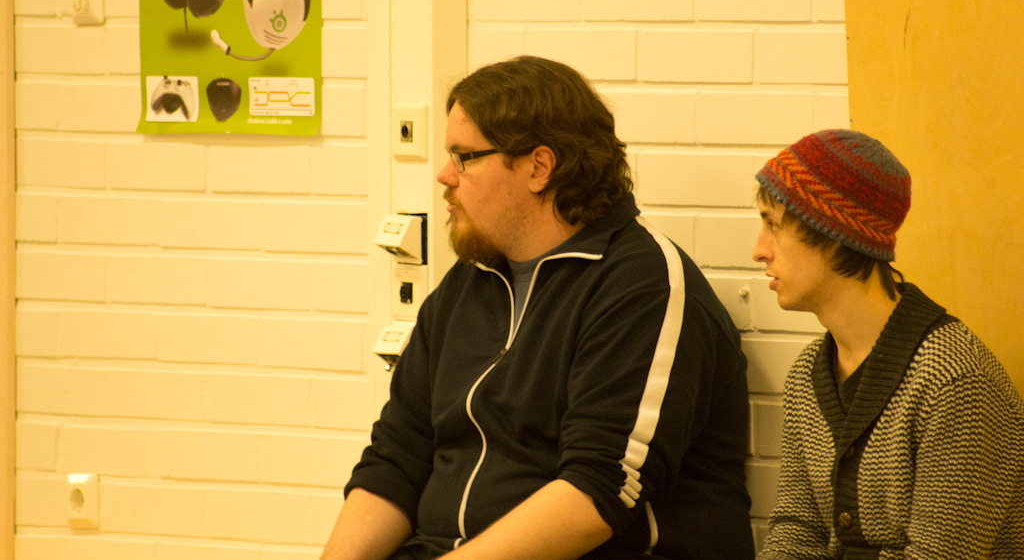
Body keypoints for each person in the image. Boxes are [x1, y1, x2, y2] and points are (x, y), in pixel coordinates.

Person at [320, 56, 754, 560]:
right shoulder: (468, 282)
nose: (444, 175)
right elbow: (397, 458)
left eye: (463, 157)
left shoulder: (642, 286)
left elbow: (596, 493)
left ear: (539, 167)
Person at [752, 129, 1024, 559]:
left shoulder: (956, 382)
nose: (758, 250)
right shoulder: (808, 375)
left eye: (773, 225)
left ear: (834, 234)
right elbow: (796, 531)